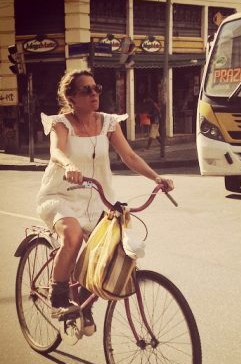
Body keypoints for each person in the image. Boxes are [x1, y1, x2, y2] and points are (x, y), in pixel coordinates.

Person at [37, 69, 174, 336]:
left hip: (98, 199)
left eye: (96, 88)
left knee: (109, 253)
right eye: (85, 90)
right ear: (71, 97)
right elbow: (56, 150)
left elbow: (130, 157)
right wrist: (68, 165)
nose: (94, 94)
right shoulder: (61, 123)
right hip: (61, 195)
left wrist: (156, 177)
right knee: (73, 237)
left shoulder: (108, 123)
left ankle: (85, 305)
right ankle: (58, 297)